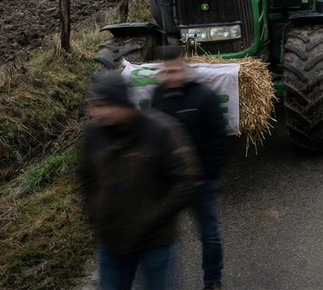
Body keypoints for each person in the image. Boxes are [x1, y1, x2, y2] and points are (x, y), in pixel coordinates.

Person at [78, 71, 201, 290]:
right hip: (112, 240)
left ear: (121, 103)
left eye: (103, 104)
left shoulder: (160, 131)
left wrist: (155, 217)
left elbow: (187, 178)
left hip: (155, 242)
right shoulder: (93, 135)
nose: (96, 111)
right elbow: (86, 177)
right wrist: (96, 215)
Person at [149, 45, 229, 290]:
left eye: (175, 71)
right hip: (171, 182)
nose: (171, 77)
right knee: (162, 236)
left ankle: (212, 279)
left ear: (184, 67)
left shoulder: (204, 96)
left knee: (209, 235)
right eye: (166, 72)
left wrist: (208, 174)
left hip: (201, 182)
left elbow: (219, 138)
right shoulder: (158, 98)